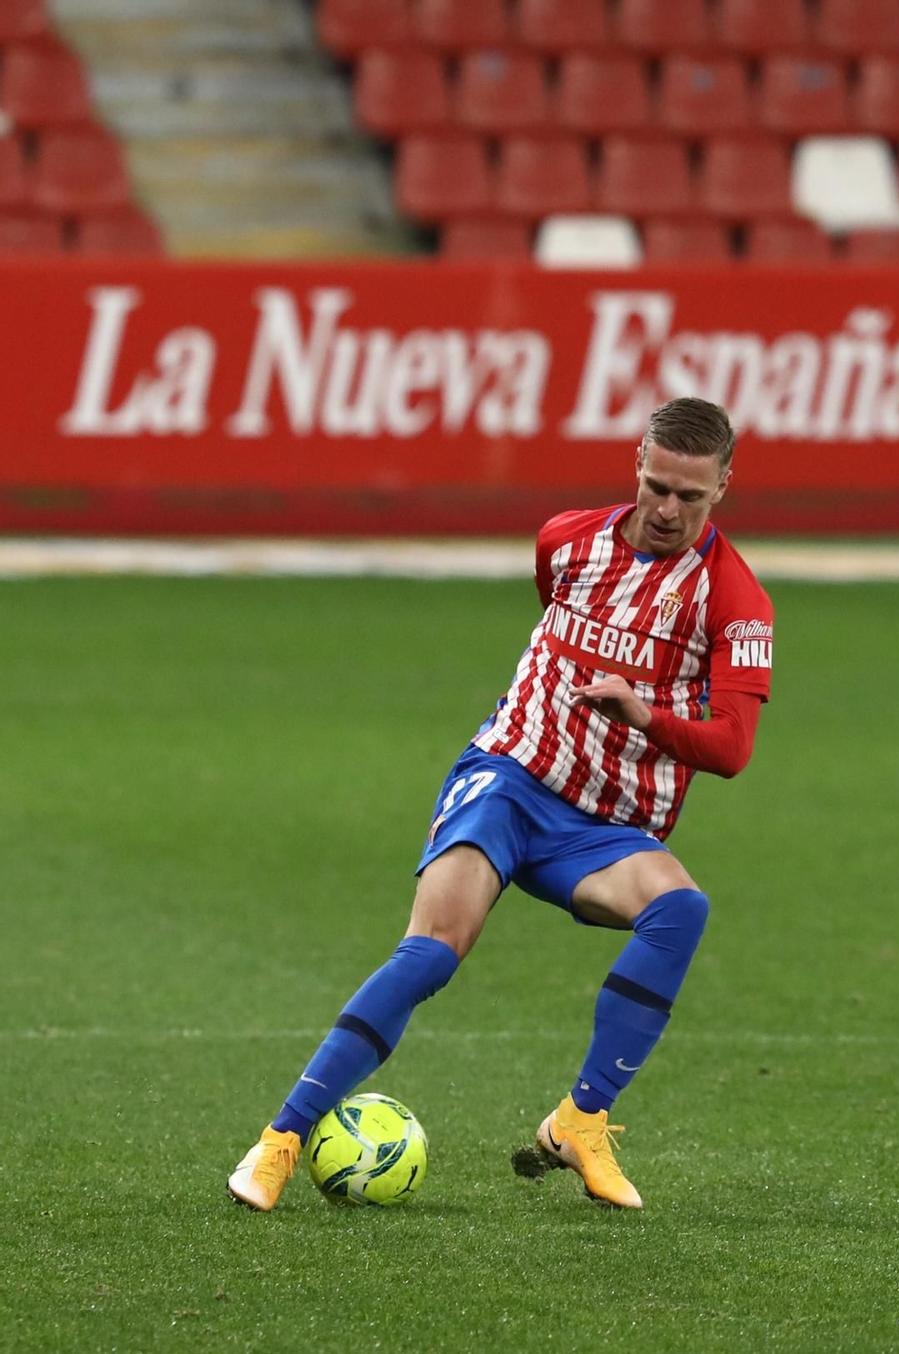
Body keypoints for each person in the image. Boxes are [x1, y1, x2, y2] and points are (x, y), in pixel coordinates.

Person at [226, 397, 774, 1211]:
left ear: (725, 485)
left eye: (689, 497)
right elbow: (553, 610)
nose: (667, 509)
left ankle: (580, 1122)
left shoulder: (736, 602)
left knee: (680, 909)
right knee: (434, 949)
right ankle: (280, 1139)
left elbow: (731, 747)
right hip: (511, 779)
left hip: (603, 827)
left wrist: (643, 714)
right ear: (638, 463)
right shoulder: (566, 539)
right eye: (657, 486)